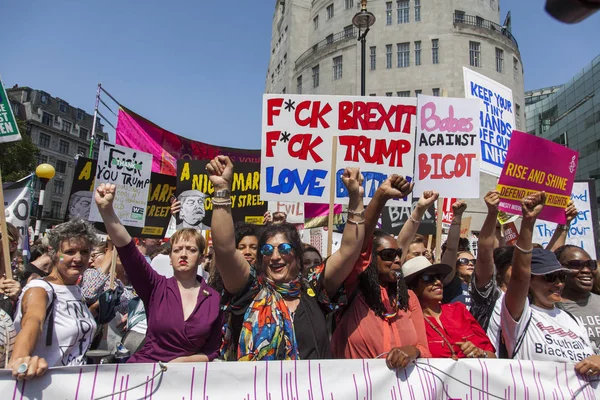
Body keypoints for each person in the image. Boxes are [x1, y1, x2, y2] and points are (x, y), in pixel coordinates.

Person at [208, 156, 366, 361]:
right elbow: (225, 250)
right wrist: (221, 189)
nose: (275, 256)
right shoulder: (249, 289)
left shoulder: (314, 288)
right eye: (266, 250)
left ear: (298, 258)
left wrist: (356, 197)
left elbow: (349, 251)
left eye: (283, 248)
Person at [95, 183, 223, 363]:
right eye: (177, 250)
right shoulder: (155, 287)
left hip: (187, 379)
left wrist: (182, 362)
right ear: (170, 257)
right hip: (147, 373)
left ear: (202, 258)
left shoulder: (213, 298)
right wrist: (107, 211)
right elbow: (128, 250)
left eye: (191, 249)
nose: (183, 254)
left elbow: (212, 351)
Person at [331, 179, 433, 369]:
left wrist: (413, 351)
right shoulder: (353, 290)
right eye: (387, 255)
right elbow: (359, 245)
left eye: (398, 255)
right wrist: (381, 197)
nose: (396, 260)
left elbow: (424, 349)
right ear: (370, 259)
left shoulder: (408, 298)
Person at [501, 192, 600, 377]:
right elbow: (519, 275)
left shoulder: (573, 320)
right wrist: (528, 222)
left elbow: (591, 359)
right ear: (530, 281)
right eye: (549, 278)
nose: (558, 283)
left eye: (561, 276)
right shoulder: (520, 316)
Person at [471, 190, 578, 355]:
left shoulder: (542, 296)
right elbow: (485, 254)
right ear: (500, 270)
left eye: (559, 278)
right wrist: (493, 213)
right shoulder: (490, 295)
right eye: (515, 264)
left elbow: (549, 262)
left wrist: (563, 225)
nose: (524, 268)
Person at [9, 219, 98, 380]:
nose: (78, 258)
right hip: (42, 387)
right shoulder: (39, 289)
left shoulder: (76, 291)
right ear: (54, 253)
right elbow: (32, 321)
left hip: (73, 388)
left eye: (84, 252)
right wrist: (20, 359)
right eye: (70, 252)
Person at [404, 256, 496, 359]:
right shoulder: (409, 322)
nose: (438, 282)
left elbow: (493, 357)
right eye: (428, 278)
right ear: (412, 288)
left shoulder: (459, 310)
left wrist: (481, 353)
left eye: (439, 277)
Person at [556, 245, 600, 353]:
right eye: (576, 264)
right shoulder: (549, 309)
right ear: (558, 269)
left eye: (591, 264)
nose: (586, 270)